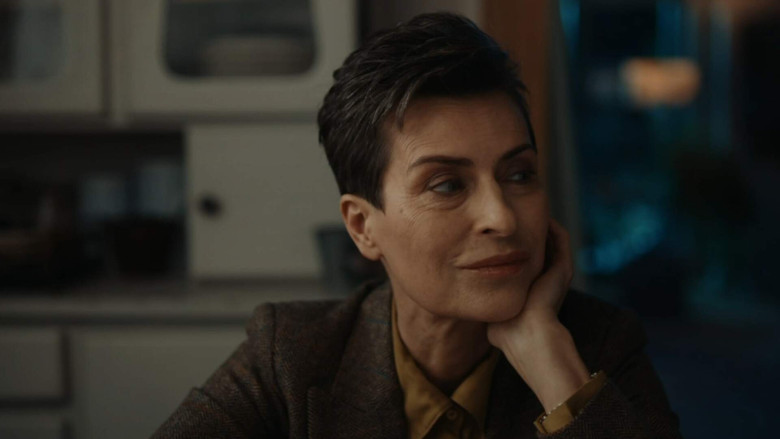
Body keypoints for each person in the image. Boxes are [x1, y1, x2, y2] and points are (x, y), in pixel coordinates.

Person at [153, 13, 682, 438]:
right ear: (362, 226)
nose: (501, 217)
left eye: (519, 174)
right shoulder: (290, 355)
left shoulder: (598, 347)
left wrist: (549, 361)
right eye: (447, 185)